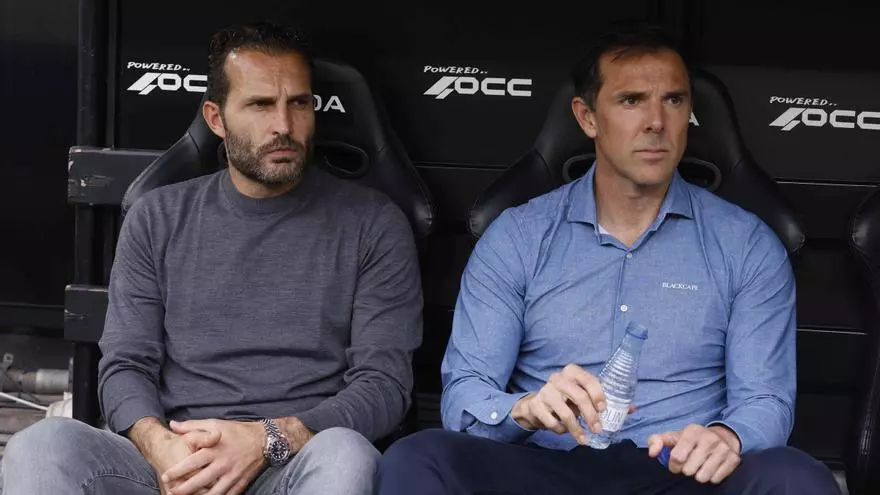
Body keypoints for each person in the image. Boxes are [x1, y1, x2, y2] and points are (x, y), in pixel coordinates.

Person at [376, 25, 840, 494]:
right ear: (588, 117)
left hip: (679, 472)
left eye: (673, 100)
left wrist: (724, 437)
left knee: (796, 477)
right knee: (418, 458)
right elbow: (466, 392)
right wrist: (525, 408)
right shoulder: (518, 236)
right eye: (631, 100)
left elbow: (765, 399)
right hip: (544, 466)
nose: (656, 121)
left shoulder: (747, 244)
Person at [2, 21, 422, 495]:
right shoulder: (156, 218)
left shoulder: (372, 225)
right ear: (216, 119)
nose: (284, 126)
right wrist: (160, 445)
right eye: (260, 104)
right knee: (40, 446)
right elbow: (126, 365)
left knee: (346, 453)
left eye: (299, 103)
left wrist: (269, 438)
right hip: (174, 461)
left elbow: (384, 385)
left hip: (293, 463)